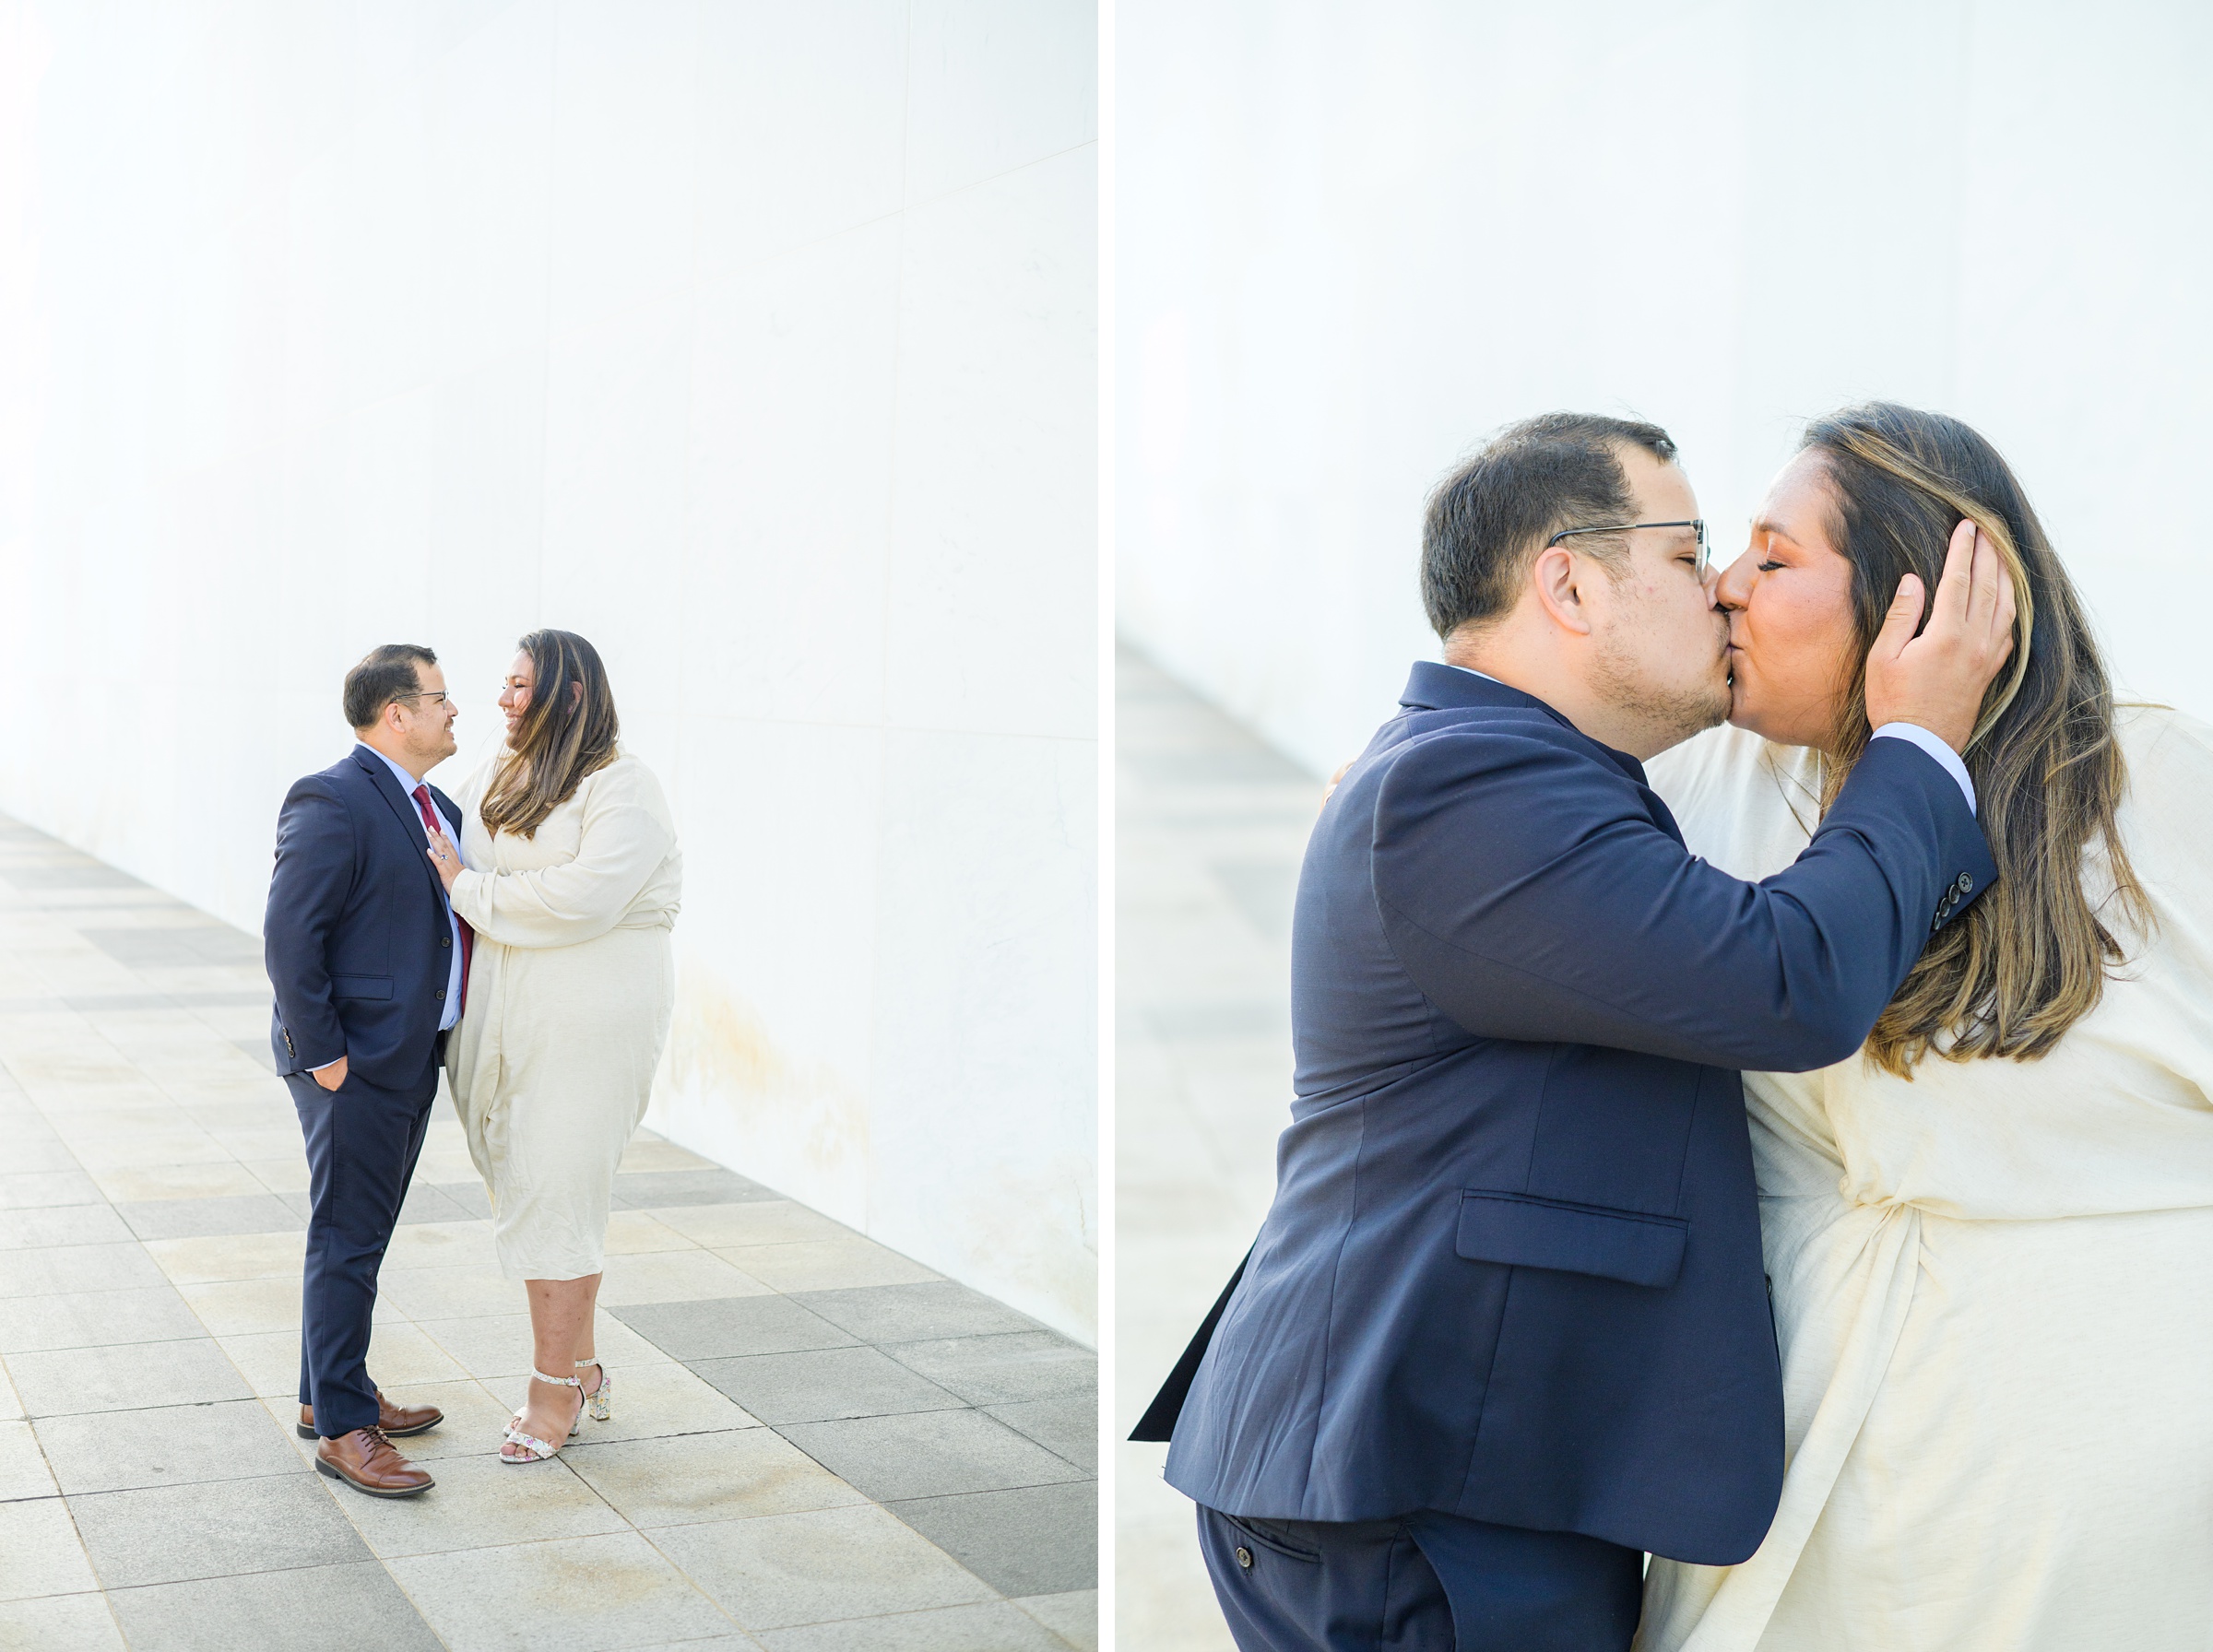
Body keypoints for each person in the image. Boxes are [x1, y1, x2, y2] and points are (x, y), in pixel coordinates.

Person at [1138, 412, 2015, 1651]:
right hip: (1418, 1499)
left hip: (1463, 1477)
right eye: (1689, 551)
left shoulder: (1504, 772)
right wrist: (1922, 742)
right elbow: (1790, 980)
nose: (1719, 591)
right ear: (1568, 582)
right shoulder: (1466, 786)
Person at [1635, 405, 2213, 1650]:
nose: (1726, 589)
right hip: (1812, 1464)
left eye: (1775, 558)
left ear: (1920, 607)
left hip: (2106, 1498)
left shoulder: (2142, 787)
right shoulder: (1699, 787)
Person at [423, 629, 681, 1464]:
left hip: (589, 1021)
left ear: (571, 693)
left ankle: (552, 1389)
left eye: (519, 685)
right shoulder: (502, 771)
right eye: (503, 683)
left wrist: (470, 889)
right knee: (533, 1186)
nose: (502, 699)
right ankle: (584, 1363)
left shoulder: (624, 786)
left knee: (557, 1185)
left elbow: (584, 899)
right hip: (506, 1012)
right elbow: (439, 839)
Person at [265, 643, 469, 1498]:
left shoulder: (437, 804)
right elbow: (289, 935)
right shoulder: (334, 797)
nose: (454, 711)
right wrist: (327, 1059)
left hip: (409, 1054)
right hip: (356, 1065)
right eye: (440, 697)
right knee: (346, 1239)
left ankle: (328, 1391)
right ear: (397, 714)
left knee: (362, 1234)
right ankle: (346, 1431)